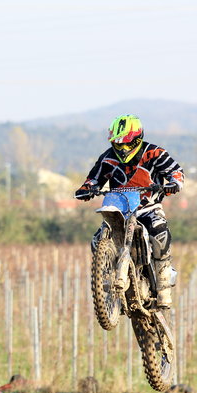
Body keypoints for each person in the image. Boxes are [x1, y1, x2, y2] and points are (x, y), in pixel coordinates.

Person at [75, 115, 184, 308]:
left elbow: (175, 171)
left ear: (138, 139)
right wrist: (87, 188)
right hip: (118, 210)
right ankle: (107, 279)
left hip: (148, 207)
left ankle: (163, 286)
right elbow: (94, 178)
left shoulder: (154, 153)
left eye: (127, 143)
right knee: (97, 240)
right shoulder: (108, 157)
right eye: (118, 144)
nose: (123, 148)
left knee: (160, 233)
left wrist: (175, 183)